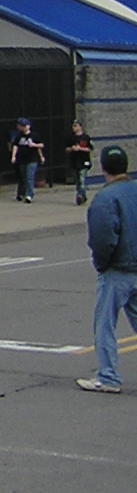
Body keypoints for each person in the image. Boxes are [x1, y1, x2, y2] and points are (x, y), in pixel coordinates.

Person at [79, 144, 137, 392]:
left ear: (102, 168)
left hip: (117, 270)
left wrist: (101, 265)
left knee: (104, 324)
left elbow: (102, 239)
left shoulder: (104, 199)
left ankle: (109, 376)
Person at [10, 117, 42, 203]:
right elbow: (15, 146)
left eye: (23, 126)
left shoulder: (33, 135)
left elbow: (41, 145)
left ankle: (29, 195)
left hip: (32, 159)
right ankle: (22, 193)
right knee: (23, 177)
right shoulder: (19, 136)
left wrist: (36, 149)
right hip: (22, 159)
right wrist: (14, 156)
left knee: (29, 177)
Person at [69, 120, 94, 206]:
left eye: (75, 126)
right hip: (74, 162)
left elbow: (90, 149)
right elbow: (66, 149)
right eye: (73, 126)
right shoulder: (71, 138)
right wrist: (72, 148)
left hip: (84, 162)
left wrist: (80, 149)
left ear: (80, 127)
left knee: (82, 179)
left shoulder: (86, 138)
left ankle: (80, 196)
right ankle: (83, 195)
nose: (74, 128)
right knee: (77, 181)